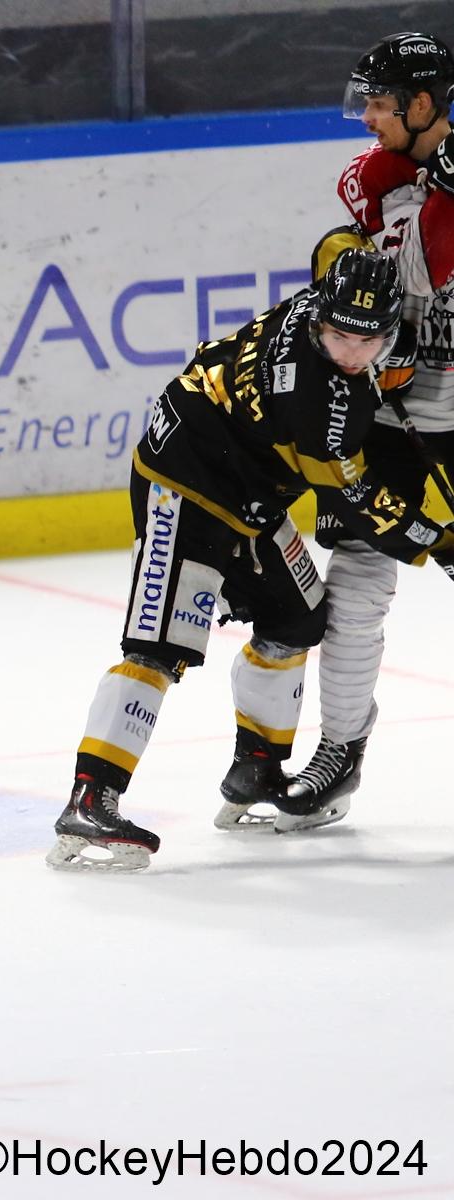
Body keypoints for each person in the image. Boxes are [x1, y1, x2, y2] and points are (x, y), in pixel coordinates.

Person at [48, 249, 454, 872]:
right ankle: (90, 797)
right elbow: (359, 503)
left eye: (366, 340)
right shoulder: (325, 405)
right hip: (183, 478)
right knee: (158, 644)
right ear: (321, 317)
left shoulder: (318, 306)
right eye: (339, 336)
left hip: (252, 494)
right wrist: (442, 541)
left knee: (297, 618)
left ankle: (257, 769)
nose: (349, 351)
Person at [287, 32, 454, 822]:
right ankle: (340, 750)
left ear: (422, 105)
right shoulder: (373, 177)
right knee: (354, 586)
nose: (368, 121)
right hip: (385, 415)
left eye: (380, 105)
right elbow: (411, 264)